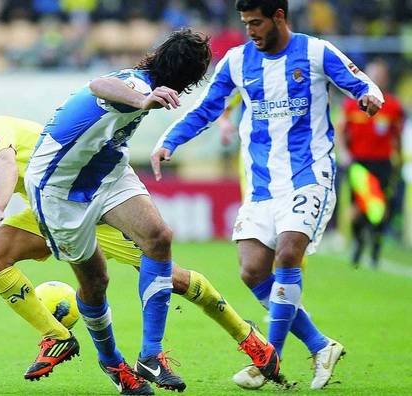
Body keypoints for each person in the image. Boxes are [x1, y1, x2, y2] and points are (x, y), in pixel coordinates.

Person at [0, 112, 279, 390]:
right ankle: (58, 337)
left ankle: (250, 339)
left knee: (174, 279)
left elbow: (3, 164)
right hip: (53, 211)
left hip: (95, 200)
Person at [150, 0, 384, 390]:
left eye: (256, 22)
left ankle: (267, 361)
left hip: (310, 175)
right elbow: (207, 109)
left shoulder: (316, 52)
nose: (250, 31)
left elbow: (361, 84)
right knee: (253, 270)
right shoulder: (238, 61)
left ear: (279, 16)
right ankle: (319, 345)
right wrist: (168, 142)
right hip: (261, 185)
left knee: (288, 252)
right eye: (245, 24)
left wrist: (369, 97)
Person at [337, 58, 405, 268]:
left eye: (381, 75)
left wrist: (398, 158)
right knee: (358, 207)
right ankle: (359, 243)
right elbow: (340, 130)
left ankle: (375, 243)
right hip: (359, 162)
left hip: (383, 162)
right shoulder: (351, 104)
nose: (377, 78)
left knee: (380, 207)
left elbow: (397, 136)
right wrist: (344, 152)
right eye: (374, 74)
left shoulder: (392, 106)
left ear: (385, 79)